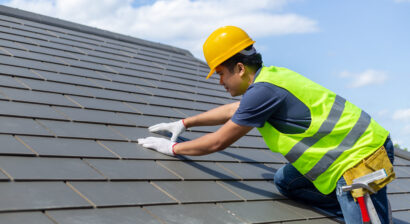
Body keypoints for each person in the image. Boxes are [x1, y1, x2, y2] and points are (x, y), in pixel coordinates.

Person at [137, 26, 395, 224]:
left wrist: (172, 150)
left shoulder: (264, 91)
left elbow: (218, 141)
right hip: (344, 157)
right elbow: (232, 110)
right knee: (286, 182)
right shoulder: (268, 81)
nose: (220, 82)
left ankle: (361, 210)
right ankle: (350, 207)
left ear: (239, 68)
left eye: (220, 73)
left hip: (361, 160)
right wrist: (184, 123)